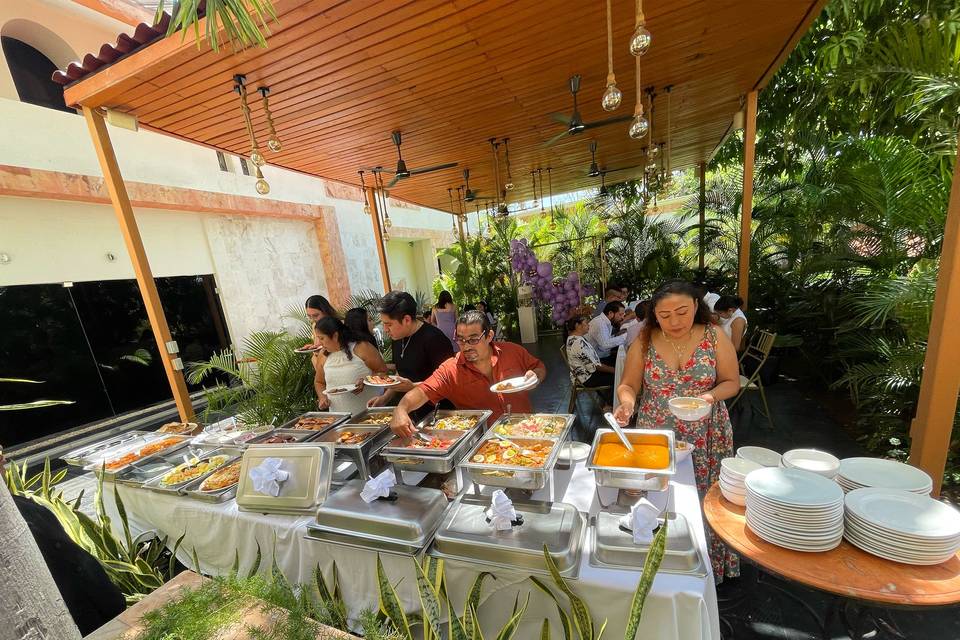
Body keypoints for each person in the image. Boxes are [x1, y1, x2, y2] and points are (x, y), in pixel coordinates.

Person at [613, 279, 740, 582]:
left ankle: (707, 568)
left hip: (708, 431)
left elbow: (731, 382)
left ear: (696, 306)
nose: (674, 321)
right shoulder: (644, 340)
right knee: (662, 498)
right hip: (658, 432)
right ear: (653, 314)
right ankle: (664, 567)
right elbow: (629, 385)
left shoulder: (714, 336)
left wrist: (707, 397)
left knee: (705, 499)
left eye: (682, 312)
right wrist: (626, 405)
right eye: (664, 315)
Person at [390, 310, 546, 437]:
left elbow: (538, 367)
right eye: (460, 339)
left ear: (489, 336)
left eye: (473, 339)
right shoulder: (451, 370)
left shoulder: (513, 351)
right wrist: (401, 409)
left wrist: (535, 377)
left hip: (528, 430)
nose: (466, 346)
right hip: (484, 441)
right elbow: (421, 392)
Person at [369, 291, 455, 420]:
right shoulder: (397, 337)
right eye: (384, 324)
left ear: (407, 320)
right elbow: (401, 373)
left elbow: (449, 382)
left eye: (389, 324)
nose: (385, 329)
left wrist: (413, 386)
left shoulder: (434, 339)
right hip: (410, 412)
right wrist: (384, 398)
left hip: (438, 414)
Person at [313, 317, 388, 415]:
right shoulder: (323, 355)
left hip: (369, 413)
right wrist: (322, 398)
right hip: (338, 417)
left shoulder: (362, 347)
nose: (319, 343)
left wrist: (366, 381)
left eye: (322, 338)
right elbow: (319, 382)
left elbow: (382, 371)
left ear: (335, 336)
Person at [565, 315, 615, 405]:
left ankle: (607, 401)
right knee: (616, 377)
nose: (589, 325)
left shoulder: (573, 338)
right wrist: (615, 370)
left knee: (611, 362)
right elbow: (596, 366)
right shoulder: (578, 342)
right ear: (577, 325)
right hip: (586, 378)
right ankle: (609, 404)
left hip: (584, 373)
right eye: (586, 323)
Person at [587, 300, 627, 365]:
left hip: (601, 356)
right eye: (620, 314)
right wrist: (626, 336)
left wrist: (616, 335)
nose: (622, 318)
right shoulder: (599, 323)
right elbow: (605, 344)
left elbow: (603, 339)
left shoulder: (606, 321)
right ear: (611, 313)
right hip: (595, 362)